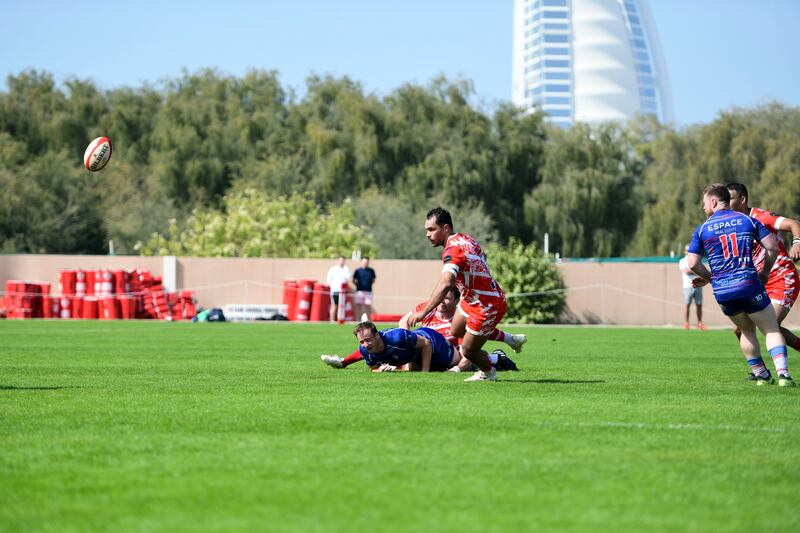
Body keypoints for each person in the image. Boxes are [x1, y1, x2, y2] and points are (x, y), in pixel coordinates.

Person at [686, 183, 793, 386]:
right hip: (749, 284)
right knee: (770, 329)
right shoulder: (748, 220)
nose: (703, 208)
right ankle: (783, 376)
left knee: (746, 331)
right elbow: (771, 247)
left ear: (714, 202)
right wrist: (764, 272)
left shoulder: (702, 230)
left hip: (723, 291)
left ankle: (761, 375)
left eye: (704, 204)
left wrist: (711, 278)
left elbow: (693, 263)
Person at [407, 207, 506, 382]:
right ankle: (510, 340)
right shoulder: (466, 239)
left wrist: (422, 313)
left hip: (486, 304)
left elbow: (445, 283)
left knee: (467, 351)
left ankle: (489, 372)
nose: (427, 234)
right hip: (472, 299)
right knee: (456, 329)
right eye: (426, 230)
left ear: (445, 229)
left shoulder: (452, 250)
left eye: (431, 229)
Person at [320, 286, 520, 371]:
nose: (441, 302)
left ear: (457, 300)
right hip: (425, 345)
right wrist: (403, 337)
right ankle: (344, 361)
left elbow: (478, 334)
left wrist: (458, 368)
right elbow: (405, 321)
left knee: (464, 357)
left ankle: (495, 358)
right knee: (406, 363)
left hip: (453, 350)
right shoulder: (428, 309)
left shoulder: (462, 316)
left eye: (447, 298)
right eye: (440, 298)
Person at [726, 183, 800, 364]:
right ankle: (759, 371)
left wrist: (797, 242)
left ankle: (781, 373)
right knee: (739, 329)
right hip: (759, 282)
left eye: (730, 199)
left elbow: (793, 223)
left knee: (769, 325)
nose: (726, 203)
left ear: (742, 200)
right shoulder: (733, 224)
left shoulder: (761, 217)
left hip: (783, 277)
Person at [352, 321, 459, 372]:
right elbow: (373, 368)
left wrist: (424, 373)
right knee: (438, 370)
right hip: (415, 355)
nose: (365, 345)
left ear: (377, 335)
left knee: (456, 363)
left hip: (433, 341)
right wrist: (379, 370)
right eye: (361, 341)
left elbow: (426, 343)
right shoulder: (364, 350)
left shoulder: (397, 337)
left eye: (367, 340)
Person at [678, 244, 705, 330]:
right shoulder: (682, 261)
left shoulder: (697, 260)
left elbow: (702, 271)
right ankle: (686, 323)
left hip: (698, 285)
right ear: (684, 251)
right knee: (687, 305)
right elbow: (686, 271)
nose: (688, 252)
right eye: (687, 250)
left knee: (699, 304)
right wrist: (696, 269)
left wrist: (695, 269)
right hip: (687, 286)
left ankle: (700, 323)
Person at [326, 256, 352, 322]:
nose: (342, 262)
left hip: (343, 291)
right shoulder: (333, 269)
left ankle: (340, 319)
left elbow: (348, 278)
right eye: (340, 260)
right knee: (334, 305)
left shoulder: (346, 269)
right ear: (338, 261)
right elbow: (328, 280)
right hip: (335, 290)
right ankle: (332, 320)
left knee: (342, 306)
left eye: (343, 260)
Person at [352, 257, 377, 321]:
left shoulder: (371, 271)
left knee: (368, 306)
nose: (365, 263)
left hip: (368, 291)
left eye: (366, 262)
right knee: (358, 306)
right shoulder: (358, 271)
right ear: (362, 262)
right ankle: (357, 320)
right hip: (359, 291)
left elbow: (373, 280)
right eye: (364, 261)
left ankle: (368, 321)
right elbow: (354, 280)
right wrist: (358, 285)